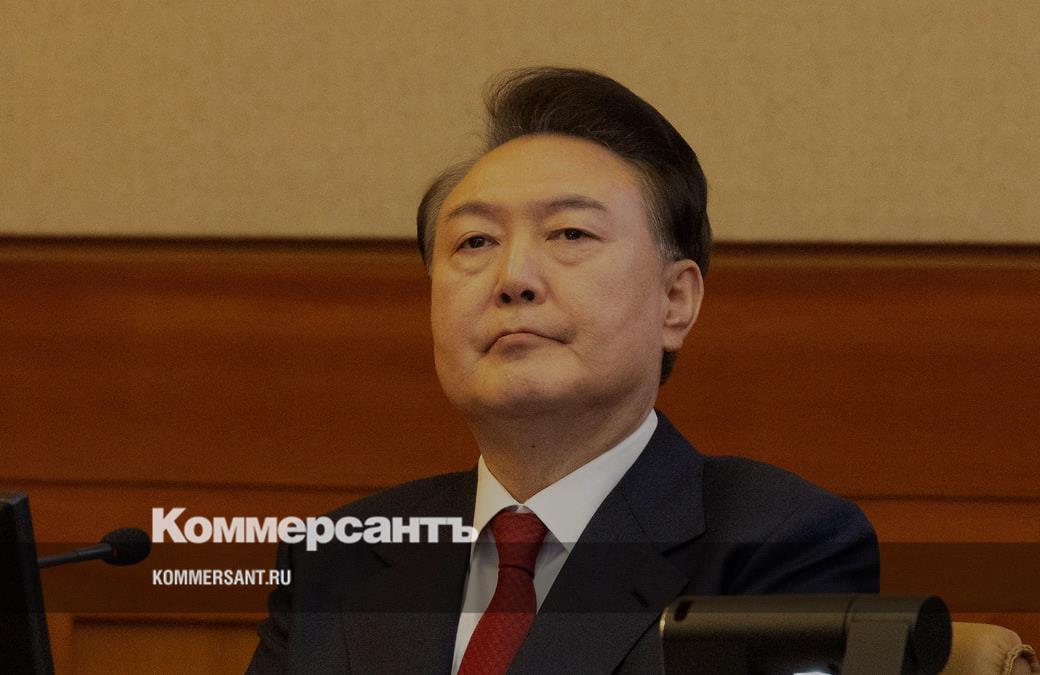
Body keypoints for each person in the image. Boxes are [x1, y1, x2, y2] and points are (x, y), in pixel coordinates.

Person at [247, 66, 878, 675]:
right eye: (475, 242)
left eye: (570, 234)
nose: (514, 278)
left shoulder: (779, 545)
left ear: (675, 301)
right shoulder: (341, 557)